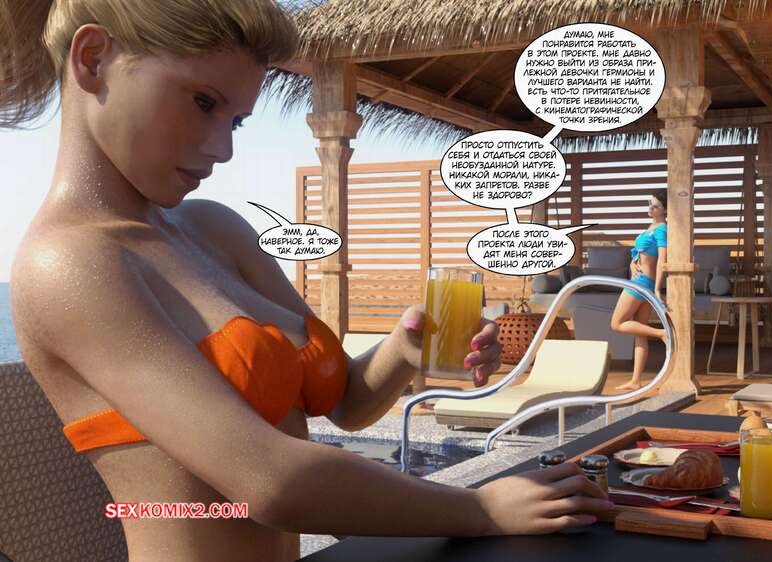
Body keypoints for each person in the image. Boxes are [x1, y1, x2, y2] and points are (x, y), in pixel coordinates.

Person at [2, 1, 609, 560]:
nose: (223, 149)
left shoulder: (215, 230)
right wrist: (480, 509)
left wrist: (406, 349)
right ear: (93, 59)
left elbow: (345, 402)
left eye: (238, 122)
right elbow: (269, 480)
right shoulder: (68, 264)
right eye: (204, 102)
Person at [609, 190, 668, 391]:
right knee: (639, 332)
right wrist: (633, 262)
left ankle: (662, 333)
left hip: (642, 283)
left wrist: (658, 289)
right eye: (650, 203)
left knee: (617, 323)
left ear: (665, 210)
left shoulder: (661, 229)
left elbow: (662, 260)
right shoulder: (652, 227)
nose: (650, 208)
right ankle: (636, 380)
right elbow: (642, 253)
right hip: (642, 281)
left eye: (656, 205)